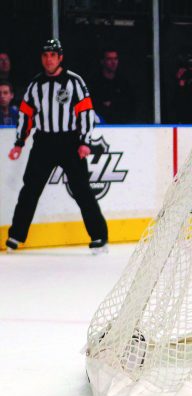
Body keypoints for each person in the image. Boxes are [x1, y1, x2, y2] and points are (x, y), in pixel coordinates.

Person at [5, 39, 108, 253]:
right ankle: (16, 236)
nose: (48, 59)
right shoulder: (35, 85)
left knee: (82, 191)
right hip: (44, 143)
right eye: (45, 55)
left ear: (60, 57)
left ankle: (99, 236)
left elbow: (86, 113)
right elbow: (26, 115)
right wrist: (19, 143)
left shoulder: (74, 82)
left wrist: (84, 142)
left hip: (70, 142)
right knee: (30, 190)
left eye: (53, 55)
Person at [89, 49, 136, 123]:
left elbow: (130, 105)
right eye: (109, 59)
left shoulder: (123, 83)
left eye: (115, 59)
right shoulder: (94, 83)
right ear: (102, 61)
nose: (113, 62)